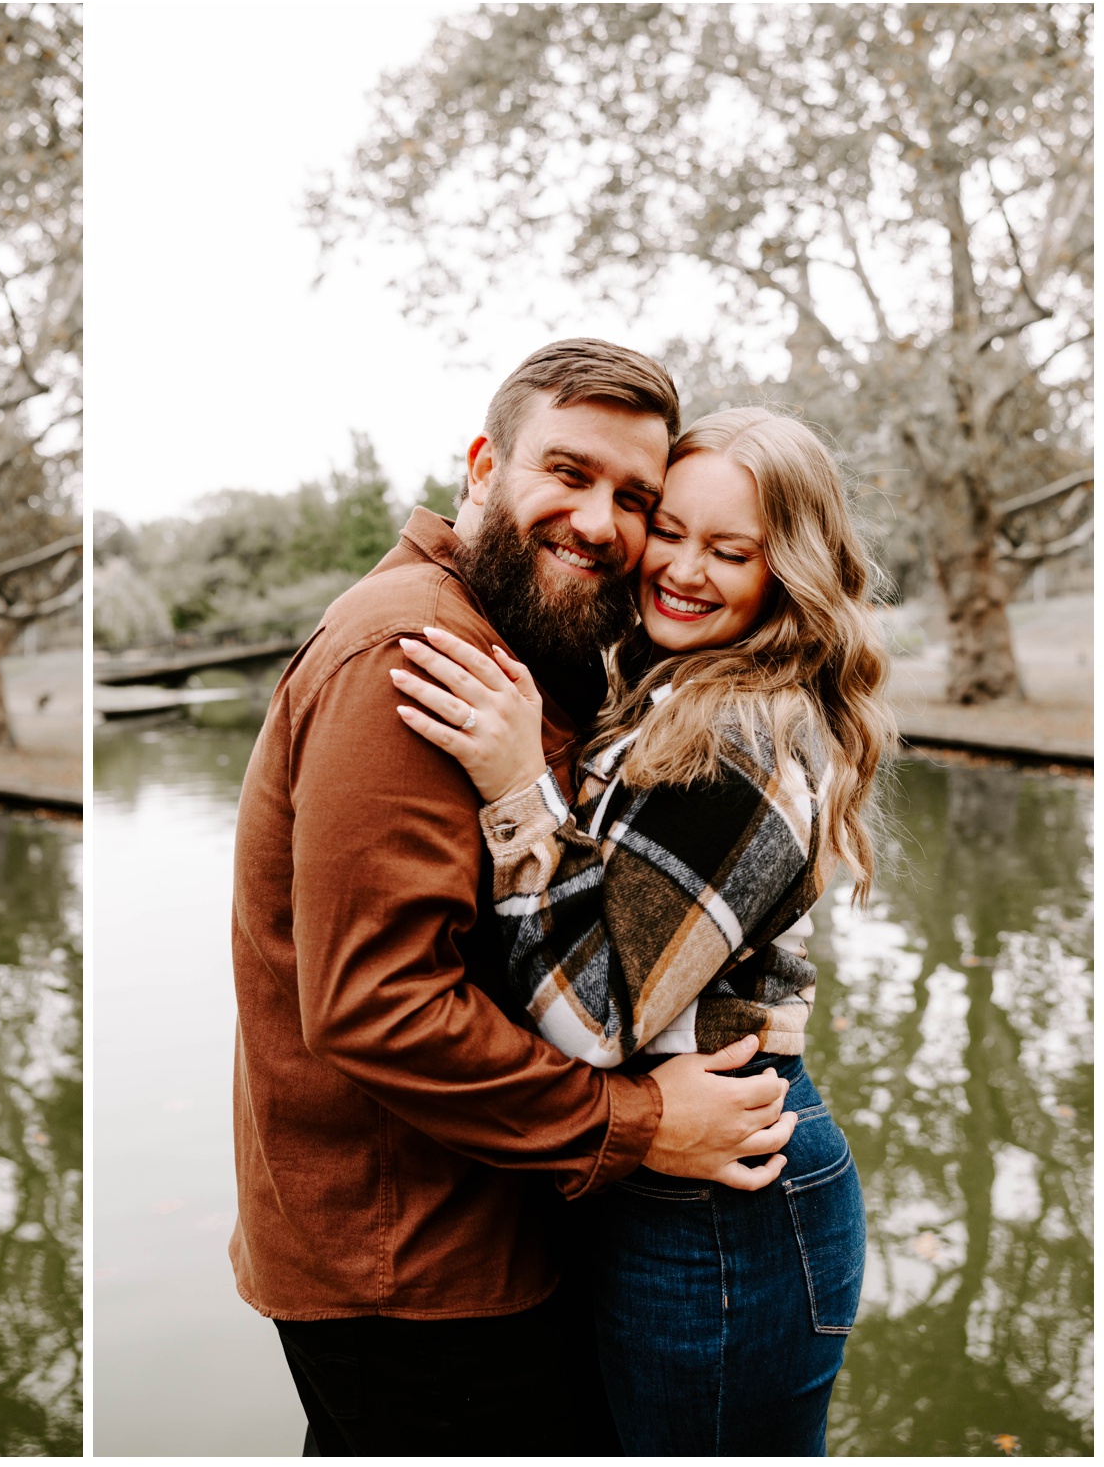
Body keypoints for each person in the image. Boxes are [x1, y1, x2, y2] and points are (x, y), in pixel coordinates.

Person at [229, 340, 800, 1457]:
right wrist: (638, 1125)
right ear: (483, 462)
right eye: (568, 472)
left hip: (474, 1239)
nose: (600, 521)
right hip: (419, 1273)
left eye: (635, 497)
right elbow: (375, 1006)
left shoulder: (521, 639)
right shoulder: (417, 647)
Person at [391, 406, 891, 1454]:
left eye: (731, 550)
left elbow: (589, 1030)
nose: (682, 569)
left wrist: (514, 787)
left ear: (785, 571)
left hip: (719, 1210)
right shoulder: (666, 693)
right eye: (669, 528)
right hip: (661, 1176)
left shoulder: (736, 739)